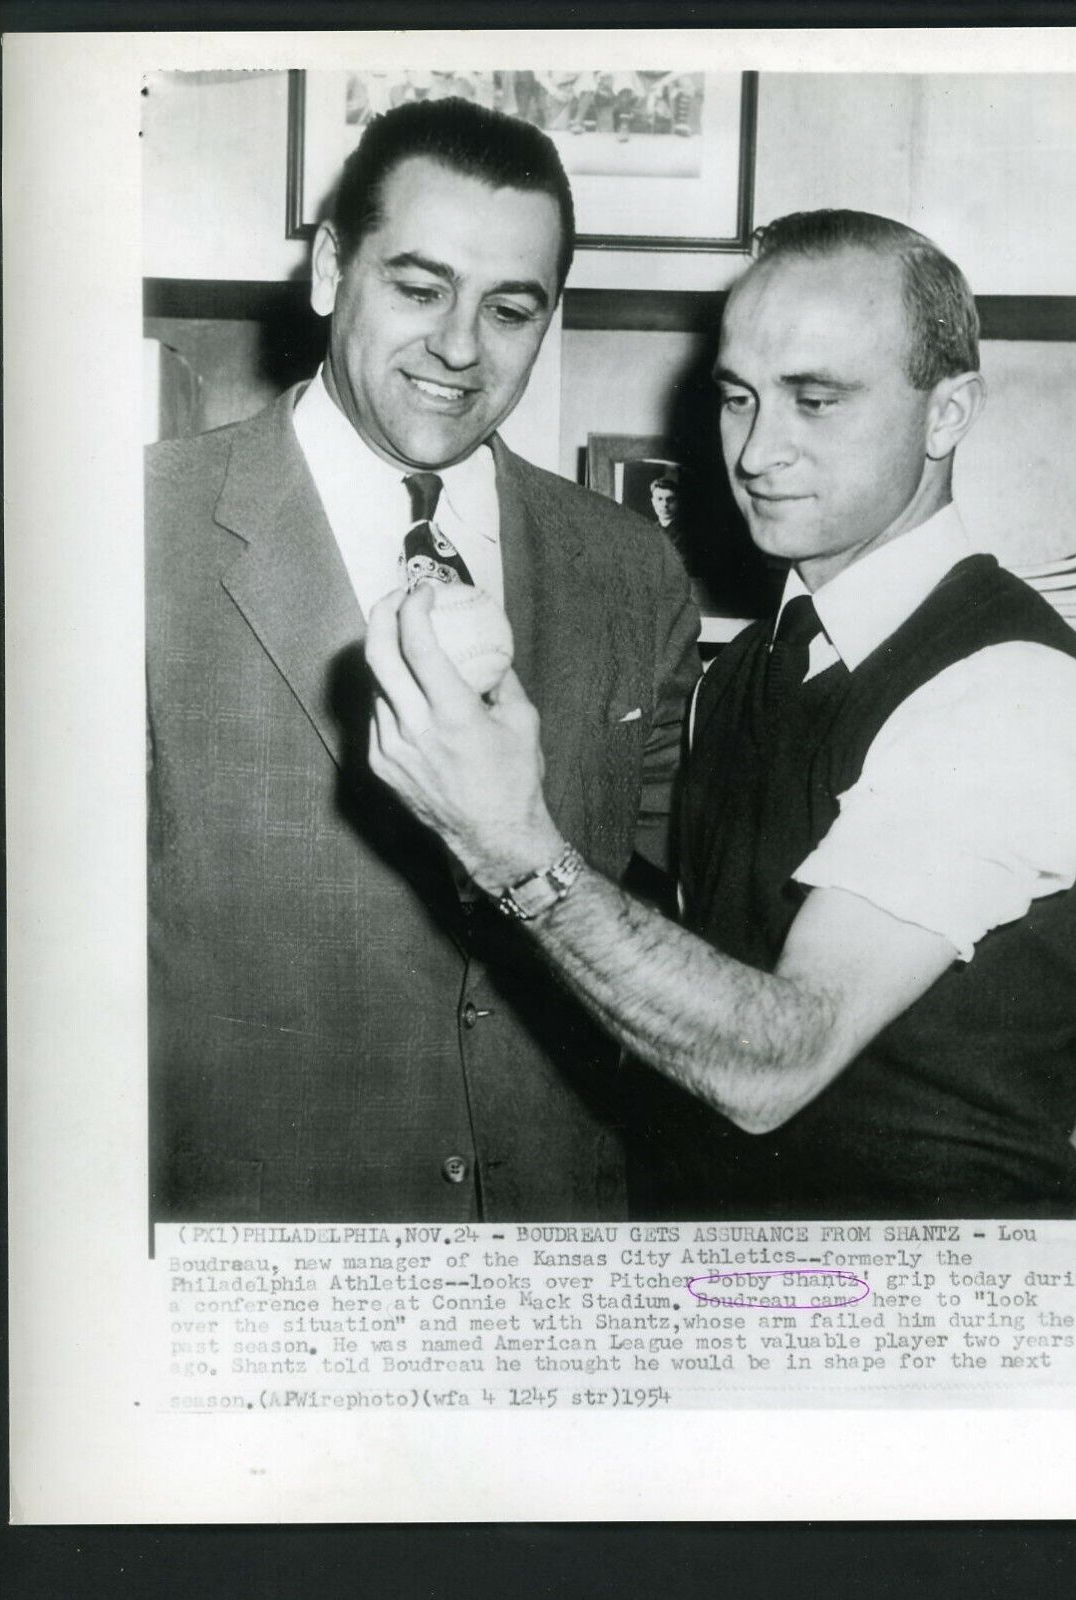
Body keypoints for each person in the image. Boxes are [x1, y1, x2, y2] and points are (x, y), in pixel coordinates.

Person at [365, 208, 1076, 1222]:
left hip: (923, 1319)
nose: (759, 451)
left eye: (817, 400)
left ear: (949, 413)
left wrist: (507, 841)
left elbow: (779, 1060)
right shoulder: (748, 667)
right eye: (738, 399)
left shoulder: (1012, 692)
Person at [146, 98, 699, 1223]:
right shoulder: (127, 529)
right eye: (419, 286)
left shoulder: (635, 572)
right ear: (329, 269)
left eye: (511, 307)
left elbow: (656, 913)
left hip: (555, 1266)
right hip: (253, 1265)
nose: (459, 346)